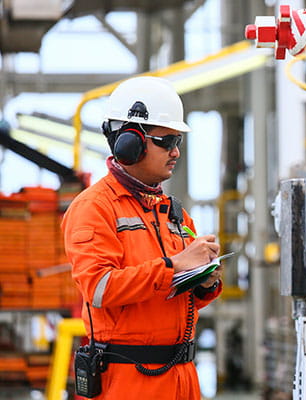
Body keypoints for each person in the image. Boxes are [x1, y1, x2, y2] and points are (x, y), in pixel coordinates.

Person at [62, 76, 223, 399]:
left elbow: (182, 297)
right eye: (166, 141)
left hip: (182, 379)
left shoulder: (172, 212)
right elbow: (99, 287)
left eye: (178, 141)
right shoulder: (94, 208)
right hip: (129, 382)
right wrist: (174, 265)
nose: (175, 152)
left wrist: (206, 280)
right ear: (129, 143)